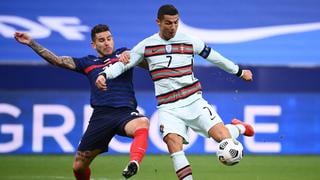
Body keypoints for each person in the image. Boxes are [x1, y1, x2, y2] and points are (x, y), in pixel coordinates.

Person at [96, 4, 254, 180]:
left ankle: (240, 128)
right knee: (173, 143)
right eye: (168, 23)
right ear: (158, 22)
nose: (172, 27)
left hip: (194, 101)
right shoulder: (147, 45)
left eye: (176, 23)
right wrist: (104, 74)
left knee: (224, 140)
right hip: (168, 107)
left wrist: (239, 71)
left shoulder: (189, 40)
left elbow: (215, 57)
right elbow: (123, 64)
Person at [14, 24, 149, 179]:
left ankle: (134, 162)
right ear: (94, 44)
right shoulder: (88, 62)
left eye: (109, 38)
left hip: (125, 112)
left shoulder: (123, 54)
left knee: (142, 123)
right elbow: (57, 61)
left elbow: (149, 65)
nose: (107, 43)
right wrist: (32, 43)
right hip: (101, 116)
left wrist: (135, 55)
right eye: (101, 40)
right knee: (78, 166)